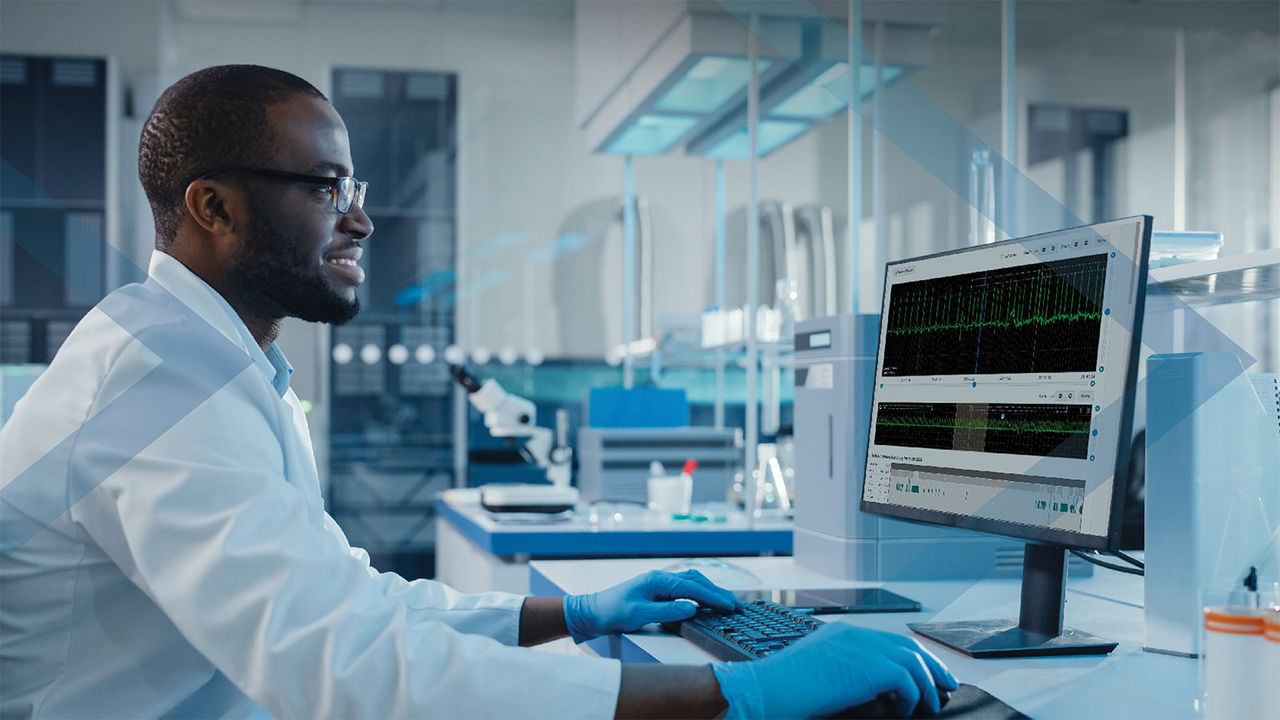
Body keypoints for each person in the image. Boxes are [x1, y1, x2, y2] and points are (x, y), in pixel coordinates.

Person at [0, 65, 955, 719]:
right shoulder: (160, 378)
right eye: (327, 187)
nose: (362, 220)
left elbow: (349, 601)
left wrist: (570, 615)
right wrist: (737, 697)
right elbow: (344, 665)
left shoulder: (214, 361)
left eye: (353, 187)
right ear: (212, 206)